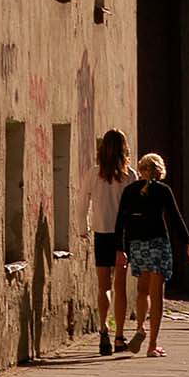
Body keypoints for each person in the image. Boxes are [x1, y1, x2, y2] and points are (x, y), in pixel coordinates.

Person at [114, 153, 189, 357]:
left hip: (137, 245)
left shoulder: (130, 190)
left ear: (141, 170)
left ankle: (140, 326)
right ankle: (152, 345)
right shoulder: (163, 190)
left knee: (142, 290)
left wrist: (120, 248)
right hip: (158, 244)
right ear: (160, 171)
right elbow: (175, 218)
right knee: (156, 294)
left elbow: (121, 222)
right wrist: (188, 243)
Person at [74, 129, 137, 355]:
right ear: (124, 149)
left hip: (101, 233)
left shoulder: (94, 174)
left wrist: (83, 228)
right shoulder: (130, 176)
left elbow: (81, 203)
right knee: (120, 286)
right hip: (123, 236)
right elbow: (135, 209)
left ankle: (103, 329)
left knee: (104, 286)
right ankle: (119, 335)